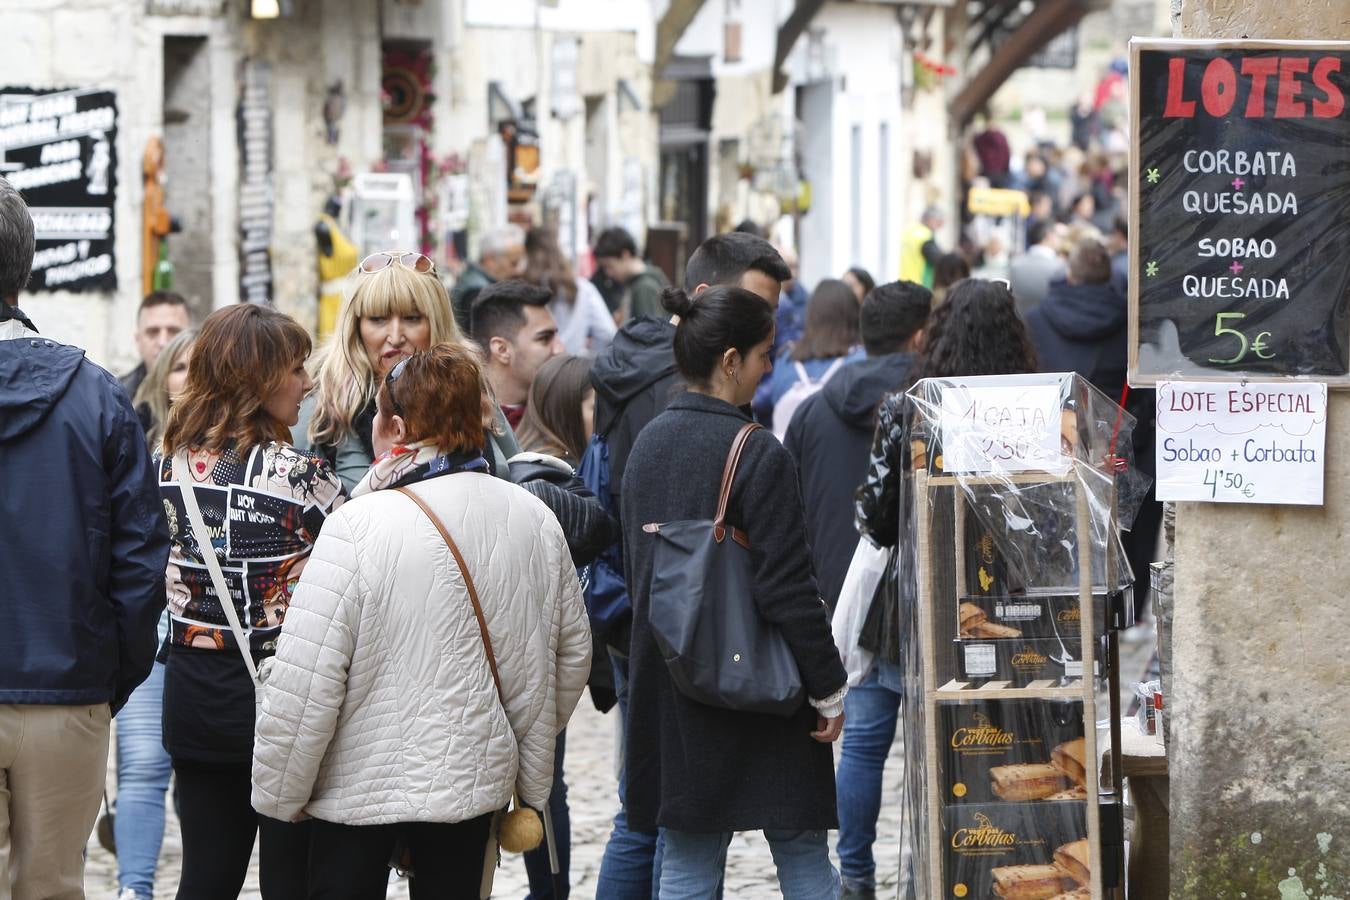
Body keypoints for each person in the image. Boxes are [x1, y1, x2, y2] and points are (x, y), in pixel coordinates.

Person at [251, 342, 590, 899]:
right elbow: (572, 655)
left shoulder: (357, 526)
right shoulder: (535, 518)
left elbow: (307, 680)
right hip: (470, 784)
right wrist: (523, 763)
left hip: (356, 790)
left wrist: (280, 796)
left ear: (399, 427)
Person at [622, 284, 848, 899]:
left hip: (676, 683)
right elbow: (787, 587)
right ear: (729, 360)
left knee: (688, 863)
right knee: (802, 853)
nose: (767, 368)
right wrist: (827, 687)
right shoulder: (758, 453)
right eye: (762, 355)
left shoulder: (646, 447)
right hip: (766, 687)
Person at [592, 231, 791, 899]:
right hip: (692, 626)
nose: (769, 335)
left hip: (647, 611)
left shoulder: (633, 369)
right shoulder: (678, 394)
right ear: (707, 303)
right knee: (657, 818)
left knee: (649, 813)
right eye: (756, 310)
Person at [0, 175, 169, 900]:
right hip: (68, 690)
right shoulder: (95, 394)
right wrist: (108, 682)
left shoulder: (96, 396)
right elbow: (139, 564)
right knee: (53, 886)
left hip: (73, 679)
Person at [854, 280, 1039, 898]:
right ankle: (995, 866)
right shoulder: (1036, 407)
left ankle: (907, 875)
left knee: (894, 747)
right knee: (998, 742)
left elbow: (875, 520)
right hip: (1008, 603)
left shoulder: (907, 408)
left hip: (920, 601)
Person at [158, 302, 346, 900]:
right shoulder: (300, 476)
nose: (308, 383)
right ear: (259, 378)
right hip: (285, 702)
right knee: (292, 881)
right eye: (296, 368)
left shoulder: (165, 463)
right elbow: (353, 573)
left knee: (206, 877)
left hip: (194, 697)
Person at [783, 280, 931, 900]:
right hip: (915, 595)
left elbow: (788, 502)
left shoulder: (814, 409)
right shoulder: (930, 404)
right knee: (932, 750)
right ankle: (929, 872)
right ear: (920, 335)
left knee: (862, 750)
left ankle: (858, 877)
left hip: (845, 603)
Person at [512, 353, 620, 900]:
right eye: (595, 406)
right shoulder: (548, 480)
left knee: (543, 789)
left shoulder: (527, 471)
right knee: (545, 789)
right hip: (535, 663)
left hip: (534, 659)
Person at [298, 250, 520, 490]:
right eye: (378, 319)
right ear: (356, 326)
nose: (395, 337)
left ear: (436, 323)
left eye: (412, 318)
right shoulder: (324, 402)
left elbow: (519, 476)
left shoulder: (470, 384)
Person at [112, 327, 195, 900]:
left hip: (222, 644)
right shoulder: (138, 454)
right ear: (162, 377)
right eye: (181, 367)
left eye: (204, 366)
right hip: (151, 638)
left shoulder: (256, 459)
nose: (192, 379)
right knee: (142, 769)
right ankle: (133, 890)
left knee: (210, 779)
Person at [1025, 237, 1126, 402]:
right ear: (1109, 275)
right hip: (1117, 422)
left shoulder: (1035, 319)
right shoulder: (1129, 324)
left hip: (1052, 420)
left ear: (1069, 274)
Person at [763, 278, 863, 433]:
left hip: (786, 452)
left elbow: (775, 400)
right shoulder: (860, 360)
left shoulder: (786, 358)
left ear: (811, 315)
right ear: (854, 315)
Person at [471, 280, 566, 429]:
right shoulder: (461, 426)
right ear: (502, 349)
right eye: (544, 338)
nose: (560, 349)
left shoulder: (567, 412)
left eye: (556, 337)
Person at [525, 225, 617, 356]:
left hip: (535, 370)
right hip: (572, 367)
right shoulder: (582, 288)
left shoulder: (524, 288)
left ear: (528, 253)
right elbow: (607, 333)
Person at [449, 223, 526, 331]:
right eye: (514, 263)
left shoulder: (479, 285)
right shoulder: (477, 292)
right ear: (490, 260)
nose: (518, 270)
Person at [120, 290, 190, 404]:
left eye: (173, 331)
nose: (163, 342)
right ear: (138, 341)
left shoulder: (213, 393)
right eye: (153, 332)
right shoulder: (117, 398)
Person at [133, 327, 197, 450]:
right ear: (163, 379)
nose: (190, 376)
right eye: (179, 368)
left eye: (197, 366)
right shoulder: (138, 436)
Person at [594, 226, 670, 322]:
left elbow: (649, 334)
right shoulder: (638, 282)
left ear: (625, 255)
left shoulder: (644, 287)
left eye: (609, 266)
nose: (608, 273)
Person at [1008, 219, 1067, 315]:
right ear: (1049, 235)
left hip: (1018, 322)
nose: (1061, 240)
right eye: (1059, 236)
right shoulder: (1060, 267)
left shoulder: (1014, 264)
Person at [899, 207, 943, 288]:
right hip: (919, 285)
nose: (939, 227)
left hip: (902, 282)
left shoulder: (908, 232)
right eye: (938, 223)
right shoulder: (925, 236)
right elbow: (939, 261)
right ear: (931, 220)